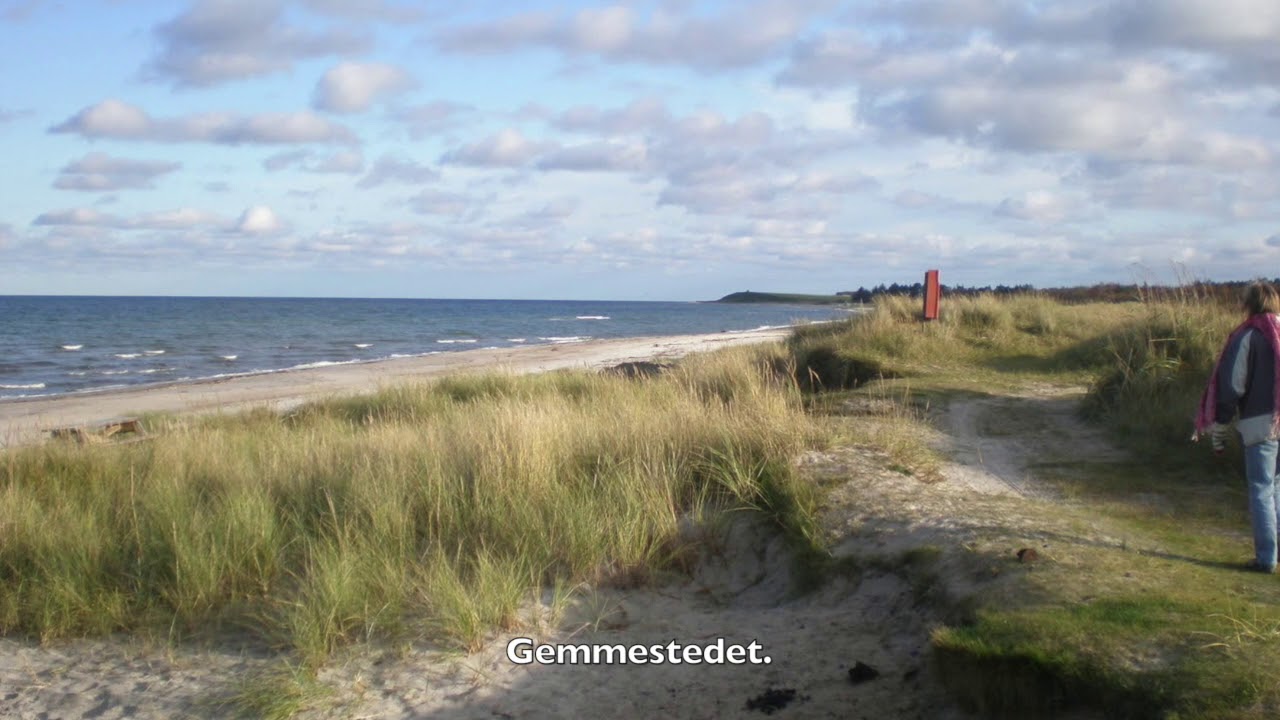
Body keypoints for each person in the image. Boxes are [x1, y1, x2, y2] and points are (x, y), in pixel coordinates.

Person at [1195, 281, 1280, 573]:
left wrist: (1221, 423)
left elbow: (1232, 386)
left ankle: (1267, 558)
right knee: (1277, 487)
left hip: (1260, 425)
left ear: (1249, 304)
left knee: (1260, 489)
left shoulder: (1248, 336)